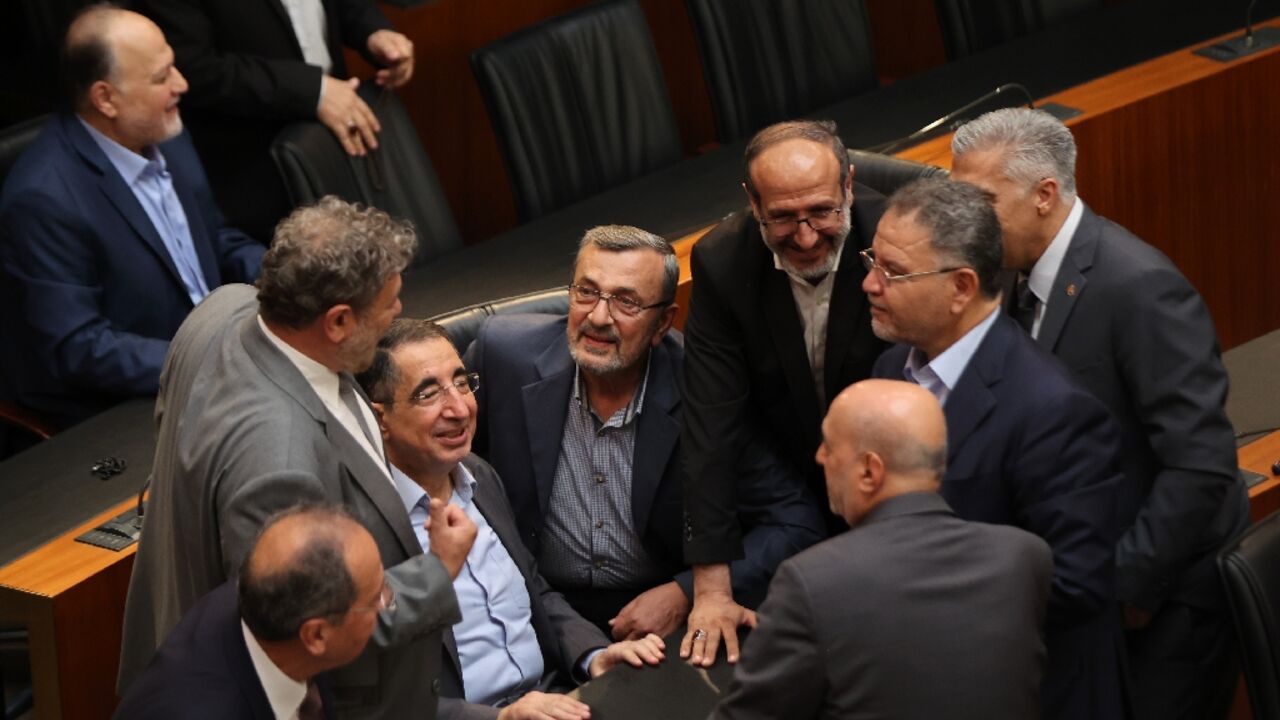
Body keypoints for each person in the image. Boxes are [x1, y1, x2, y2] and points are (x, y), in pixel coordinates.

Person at [118, 197, 475, 720]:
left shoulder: (224, 307)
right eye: (389, 302)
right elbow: (299, 623)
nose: (398, 312)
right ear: (337, 322)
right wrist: (438, 570)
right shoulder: (277, 459)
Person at [949, 108, 1250, 720]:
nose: (964, 221)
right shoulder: (1007, 271)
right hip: (1077, 591)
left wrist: (1127, 588)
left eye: (980, 200)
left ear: (1045, 195)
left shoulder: (1139, 288)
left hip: (1164, 602)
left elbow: (1202, 463)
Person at [463, 225, 823, 640]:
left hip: (658, 619)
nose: (598, 317)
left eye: (626, 302)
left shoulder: (706, 391)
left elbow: (796, 522)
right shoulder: (502, 357)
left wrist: (685, 591)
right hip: (532, 607)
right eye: (587, 292)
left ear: (662, 323)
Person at [866, 178, 1127, 720]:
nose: (870, 283)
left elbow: (1073, 585)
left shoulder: (1053, 410)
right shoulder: (891, 370)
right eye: (873, 260)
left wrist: (913, 606)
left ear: (961, 286)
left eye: (892, 271)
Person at [358, 318, 666, 720]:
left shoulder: (480, 476)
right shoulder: (363, 532)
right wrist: (500, 718)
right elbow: (374, 699)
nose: (459, 409)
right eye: (428, 394)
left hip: (556, 698)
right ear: (380, 418)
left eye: (462, 383)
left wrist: (594, 655)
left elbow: (536, 590)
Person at [712, 380, 1053, 720]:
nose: (819, 456)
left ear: (869, 471)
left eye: (829, 446)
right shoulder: (1024, 559)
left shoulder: (812, 582)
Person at [680, 119, 887, 665]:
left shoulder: (896, 236)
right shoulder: (721, 261)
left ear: (848, 184)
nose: (806, 236)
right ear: (752, 202)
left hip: (887, 471)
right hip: (795, 479)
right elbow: (710, 421)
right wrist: (711, 590)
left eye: (822, 211)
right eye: (783, 217)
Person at [0, 5, 263, 429]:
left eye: (174, 66)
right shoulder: (42, 198)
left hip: (227, 368)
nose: (182, 84)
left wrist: (288, 278)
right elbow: (81, 348)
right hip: (132, 409)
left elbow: (215, 239)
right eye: (161, 77)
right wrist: (210, 357)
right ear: (105, 98)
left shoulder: (167, 136)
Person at [135, 0, 415, 241]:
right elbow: (195, 68)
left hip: (337, 144)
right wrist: (312, 91)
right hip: (256, 173)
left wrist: (372, 30)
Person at [115, 504, 389, 719]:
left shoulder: (279, 604)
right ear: (316, 635)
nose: (386, 604)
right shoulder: (201, 710)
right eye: (376, 597)